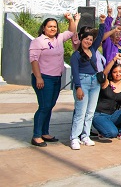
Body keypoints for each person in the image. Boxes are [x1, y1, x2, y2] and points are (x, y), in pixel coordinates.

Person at [29, 13, 78, 147]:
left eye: (55, 26)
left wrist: (70, 19)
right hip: (43, 78)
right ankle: (37, 135)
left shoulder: (58, 39)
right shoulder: (38, 41)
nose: (52, 29)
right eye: (50, 26)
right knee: (44, 106)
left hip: (56, 77)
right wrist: (38, 77)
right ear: (44, 27)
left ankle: (45, 132)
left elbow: (72, 31)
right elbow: (34, 60)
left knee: (50, 106)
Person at [69, 16, 106, 150]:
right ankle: (74, 137)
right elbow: (75, 72)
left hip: (94, 82)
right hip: (82, 82)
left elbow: (100, 36)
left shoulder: (93, 50)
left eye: (91, 40)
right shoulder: (76, 56)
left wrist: (102, 23)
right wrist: (78, 87)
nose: (89, 41)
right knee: (80, 112)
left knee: (90, 112)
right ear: (81, 39)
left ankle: (85, 136)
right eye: (86, 39)